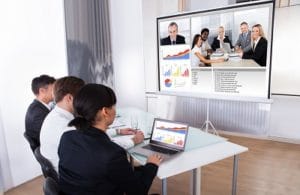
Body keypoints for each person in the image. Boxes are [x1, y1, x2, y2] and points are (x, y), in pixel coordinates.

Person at [58, 84, 162, 195]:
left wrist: (118, 132)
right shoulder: (113, 154)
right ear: (105, 112)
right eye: (113, 106)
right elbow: (138, 191)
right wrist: (151, 165)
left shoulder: (67, 138)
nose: (115, 110)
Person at [40, 76, 143, 172]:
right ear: (69, 98)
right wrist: (134, 140)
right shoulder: (67, 129)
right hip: (78, 175)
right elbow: (105, 149)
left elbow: (90, 134)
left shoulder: (55, 116)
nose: (86, 100)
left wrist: (118, 131)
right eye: (82, 96)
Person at [24, 75, 56, 152]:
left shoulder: (37, 107)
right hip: (49, 151)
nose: (56, 92)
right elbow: (50, 138)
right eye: (53, 89)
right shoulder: (37, 113)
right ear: (42, 91)